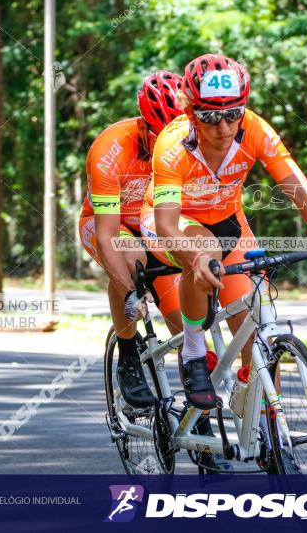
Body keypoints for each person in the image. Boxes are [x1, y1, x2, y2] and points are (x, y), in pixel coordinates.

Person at [141, 53, 307, 412]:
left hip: (229, 224)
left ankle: (271, 436)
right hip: (171, 223)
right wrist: (194, 259)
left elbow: (297, 187)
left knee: (259, 334)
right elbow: (167, 225)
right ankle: (192, 351)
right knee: (203, 248)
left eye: (233, 114)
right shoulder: (173, 145)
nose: (223, 128)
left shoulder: (254, 129)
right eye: (210, 117)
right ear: (191, 113)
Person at [79, 70, 184, 408]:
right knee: (130, 255)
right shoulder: (111, 147)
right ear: (144, 124)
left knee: (185, 329)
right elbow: (108, 235)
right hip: (108, 225)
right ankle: (127, 352)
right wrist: (129, 295)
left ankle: (199, 422)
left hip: (155, 226)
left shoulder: (190, 147)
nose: (171, 143)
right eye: (160, 134)